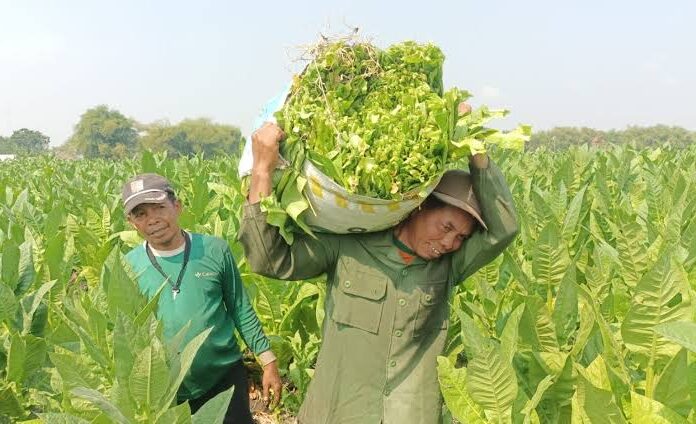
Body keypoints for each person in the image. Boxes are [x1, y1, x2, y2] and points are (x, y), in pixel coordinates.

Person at [238, 107, 519, 424]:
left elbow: (504, 229)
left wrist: (476, 150)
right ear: (420, 206)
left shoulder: (450, 266)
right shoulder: (349, 244)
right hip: (336, 413)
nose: (451, 243)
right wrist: (262, 170)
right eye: (447, 227)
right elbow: (268, 260)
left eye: (461, 238)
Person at [121, 173, 282, 423]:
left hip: (224, 377)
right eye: (140, 214)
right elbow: (126, 332)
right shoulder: (129, 266)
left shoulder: (214, 250)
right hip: (166, 389)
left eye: (159, 208)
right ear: (131, 222)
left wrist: (268, 361)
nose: (152, 219)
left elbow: (240, 308)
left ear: (177, 206)